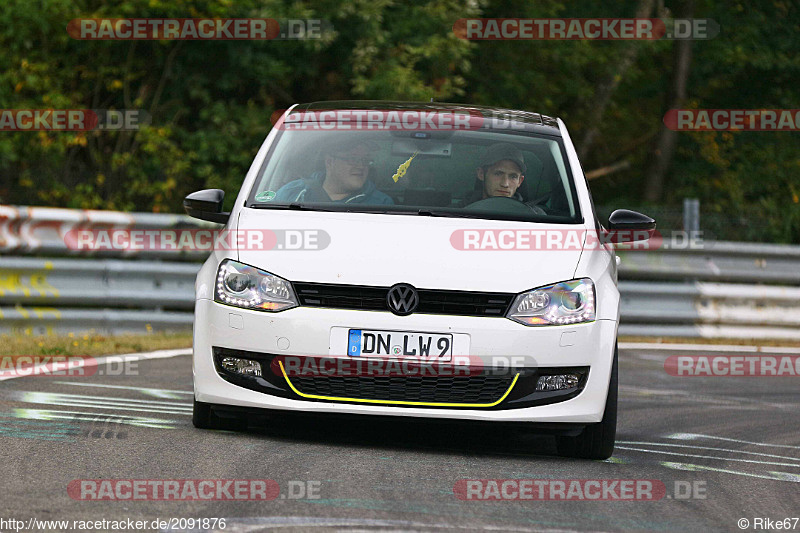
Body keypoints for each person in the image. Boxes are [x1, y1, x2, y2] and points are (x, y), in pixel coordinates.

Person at [273, 139, 394, 205]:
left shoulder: (381, 204)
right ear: (329, 162)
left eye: (365, 160)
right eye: (353, 159)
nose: (361, 165)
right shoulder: (292, 193)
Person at [462, 143, 545, 214]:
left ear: (520, 181)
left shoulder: (535, 216)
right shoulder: (456, 212)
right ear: (481, 174)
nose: (505, 184)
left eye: (513, 176)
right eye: (498, 174)